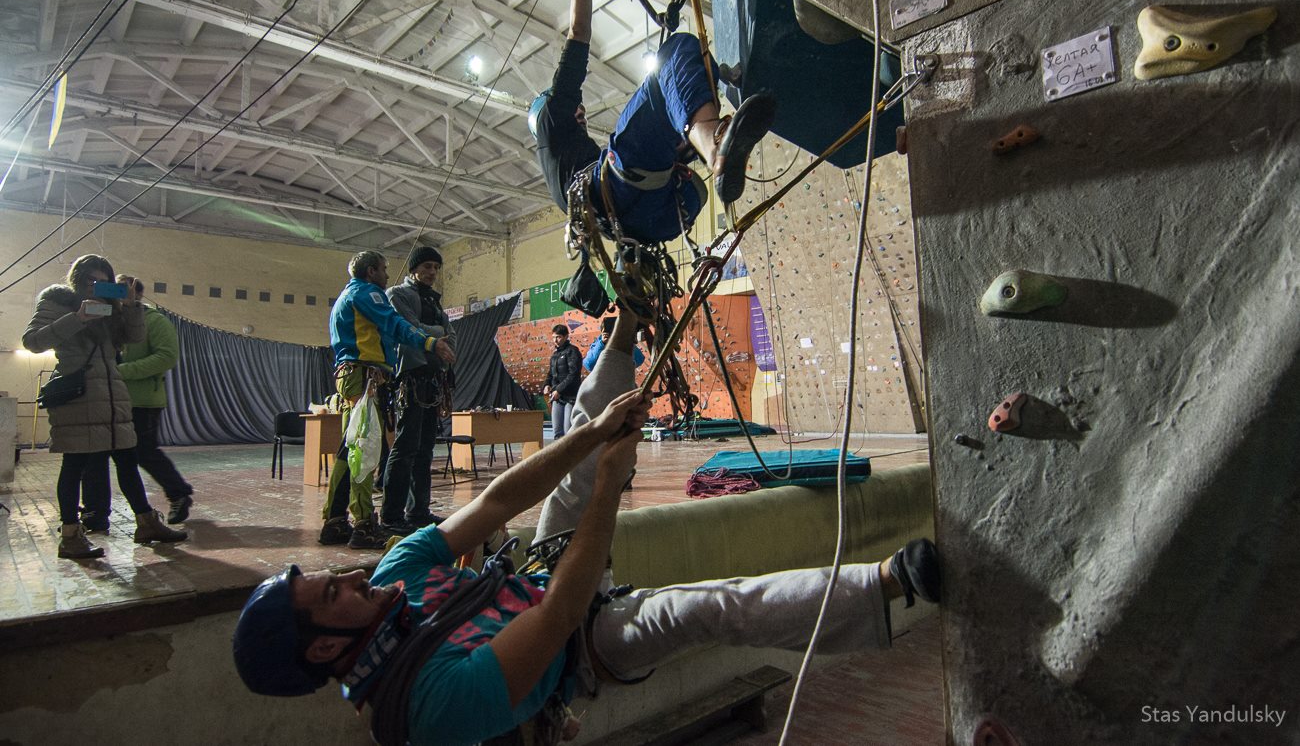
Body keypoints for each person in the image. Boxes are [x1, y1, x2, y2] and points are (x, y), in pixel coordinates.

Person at [232, 313, 941, 745]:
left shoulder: (392, 577)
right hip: (580, 643)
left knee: (572, 464)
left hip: (539, 579)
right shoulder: (427, 707)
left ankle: (625, 330)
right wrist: (611, 477)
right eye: (335, 594)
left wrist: (598, 435)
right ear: (328, 644)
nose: (354, 576)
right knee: (703, 608)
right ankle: (884, 583)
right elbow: (566, 611)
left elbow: (502, 498)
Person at [530, 0, 776, 245]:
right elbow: (578, 30)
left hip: (655, 220)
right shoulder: (552, 119)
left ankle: (709, 132)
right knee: (675, 55)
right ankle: (713, 143)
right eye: (575, 108)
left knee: (682, 113)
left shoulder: (564, 178)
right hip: (626, 192)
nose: (580, 110)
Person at [23, 255, 187, 559]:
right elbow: (32, 341)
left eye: (105, 281)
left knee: (127, 460)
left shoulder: (113, 309)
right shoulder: (57, 301)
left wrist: (131, 305)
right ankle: (71, 536)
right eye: (92, 280)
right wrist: (78, 318)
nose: (98, 286)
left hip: (114, 397)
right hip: (79, 398)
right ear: (78, 280)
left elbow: (136, 336)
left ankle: (146, 523)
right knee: (74, 466)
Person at [321, 250, 446, 550]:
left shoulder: (348, 297)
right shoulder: (368, 294)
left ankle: (334, 520)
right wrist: (430, 342)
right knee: (364, 450)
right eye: (383, 269)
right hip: (365, 377)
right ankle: (363, 525)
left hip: (355, 376)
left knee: (347, 450)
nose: (387, 274)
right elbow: (396, 324)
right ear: (370, 272)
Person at [82, 275, 195, 527]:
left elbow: (166, 357)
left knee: (143, 452)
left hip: (142, 401)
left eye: (124, 291)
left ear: (139, 295)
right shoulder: (104, 318)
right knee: (96, 456)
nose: (119, 295)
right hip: (105, 398)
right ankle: (95, 512)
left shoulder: (155, 322)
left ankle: (179, 494)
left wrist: (122, 372)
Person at [382, 246, 457, 533]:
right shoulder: (398, 295)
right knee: (405, 447)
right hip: (410, 379)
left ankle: (418, 512)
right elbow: (410, 329)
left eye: (436, 268)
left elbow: (453, 337)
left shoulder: (435, 302)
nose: (432, 273)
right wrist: (437, 335)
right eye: (427, 266)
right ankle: (391, 515)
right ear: (414, 268)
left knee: (425, 449)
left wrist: (437, 337)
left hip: (432, 381)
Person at [543, 323, 583, 438]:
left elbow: (573, 374)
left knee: (568, 432)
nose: (556, 340)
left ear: (566, 336)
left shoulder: (573, 351)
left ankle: (573, 455)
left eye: (558, 337)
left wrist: (559, 390)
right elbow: (550, 374)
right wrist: (546, 384)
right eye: (554, 337)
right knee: (557, 432)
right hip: (557, 397)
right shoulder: (555, 355)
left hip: (571, 397)